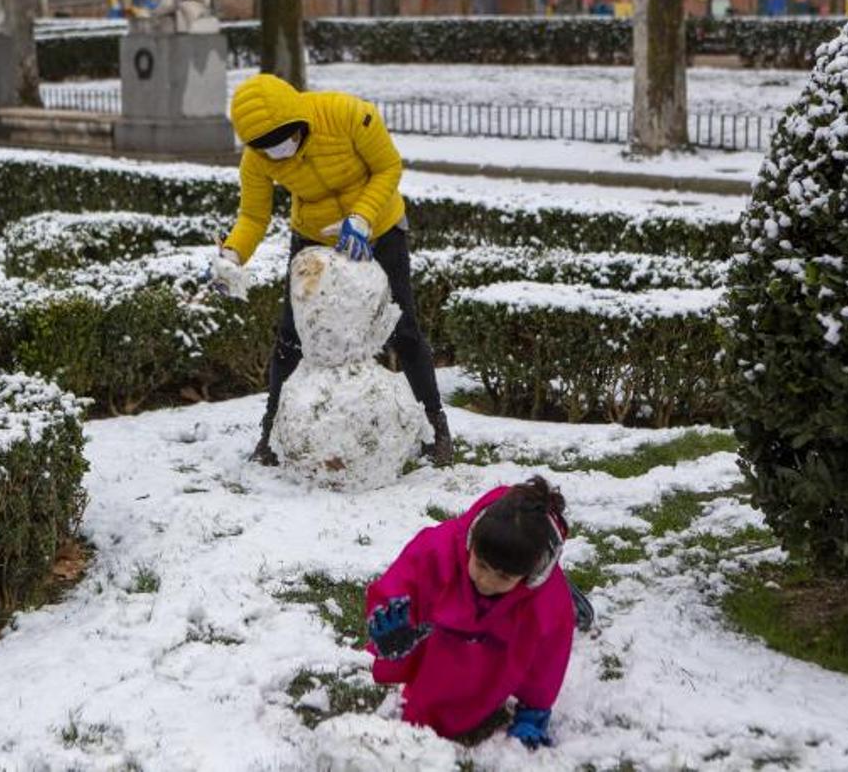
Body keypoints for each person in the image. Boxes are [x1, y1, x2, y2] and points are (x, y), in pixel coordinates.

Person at [209, 72, 454, 467]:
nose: (279, 153)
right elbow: (254, 215)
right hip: (314, 237)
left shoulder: (347, 115)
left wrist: (362, 217)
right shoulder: (257, 159)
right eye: (266, 148)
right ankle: (270, 433)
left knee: (402, 327)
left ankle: (435, 427)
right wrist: (233, 255)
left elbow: (388, 167)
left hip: (377, 228)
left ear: (297, 121)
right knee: (290, 336)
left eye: (282, 140)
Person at [364, 476, 594, 748]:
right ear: (472, 542)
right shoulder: (438, 549)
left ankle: (572, 600)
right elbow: (401, 583)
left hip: (510, 617)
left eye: (503, 576)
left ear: (528, 575)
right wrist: (388, 620)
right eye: (482, 565)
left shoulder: (545, 603)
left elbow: (547, 657)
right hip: (450, 617)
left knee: (505, 647)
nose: (486, 582)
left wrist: (535, 709)